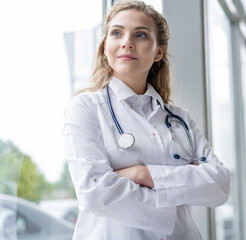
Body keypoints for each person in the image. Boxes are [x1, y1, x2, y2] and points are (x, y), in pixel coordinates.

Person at [63, 0, 231, 239]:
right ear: (104, 46)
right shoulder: (86, 108)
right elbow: (95, 193)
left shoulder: (179, 118)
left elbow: (220, 184)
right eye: (117, 33)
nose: (127, 42)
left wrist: (141, 174)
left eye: (140, 35)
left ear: (158, 52)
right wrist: (179, 193)